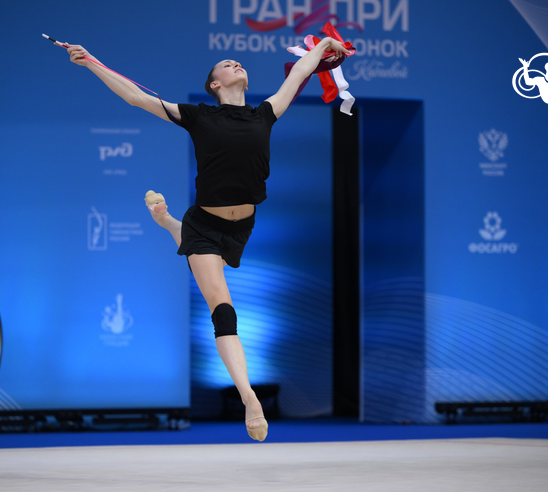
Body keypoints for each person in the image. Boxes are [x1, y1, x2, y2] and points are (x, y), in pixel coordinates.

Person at [65, 37, 349, 441]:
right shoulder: (199, 116)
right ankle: (249, 397)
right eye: (226, 64)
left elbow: (302, 71)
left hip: (241, 227)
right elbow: (135, 97)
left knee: (200, 254)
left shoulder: (265, 113)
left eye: (238, 63)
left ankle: (167, 223)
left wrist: (324, 45)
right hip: (204, 224)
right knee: (223, 309)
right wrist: (91, 61)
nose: (235, 64)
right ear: (214, 84)